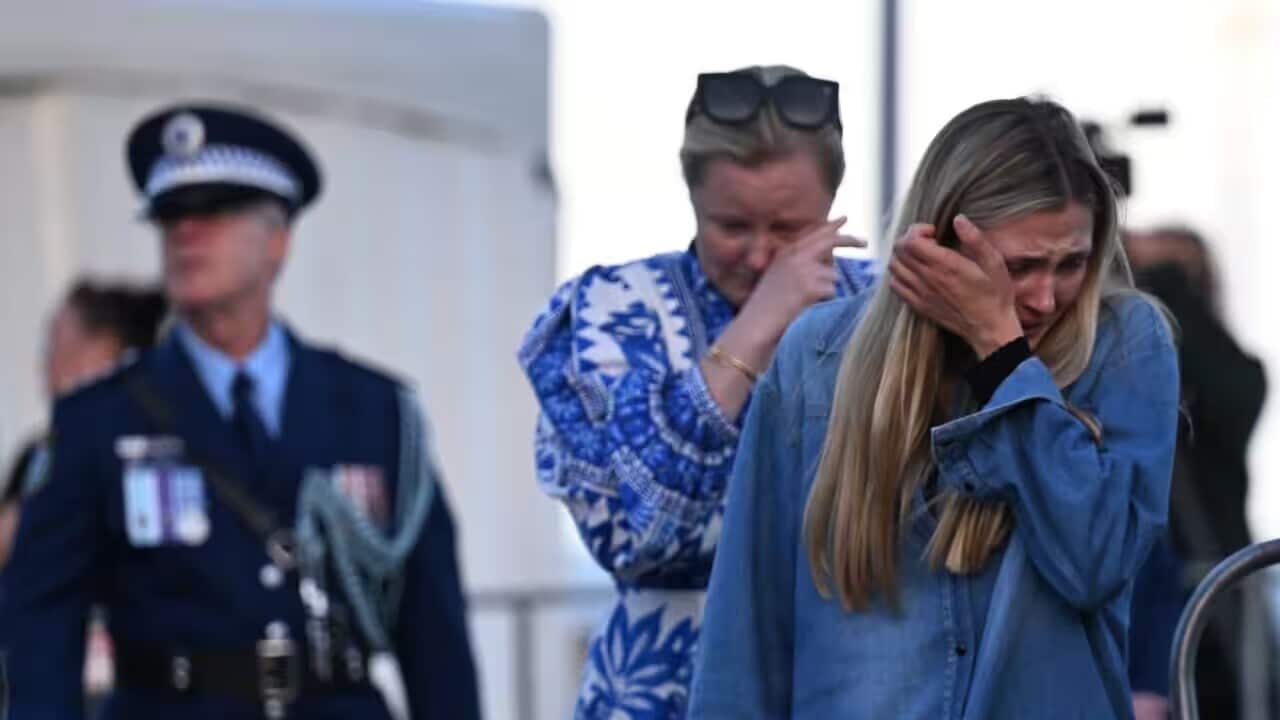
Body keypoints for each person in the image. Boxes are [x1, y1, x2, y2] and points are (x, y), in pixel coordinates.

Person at [690, 97, 1180, 718]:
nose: (1046, 296)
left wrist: (1002, 356)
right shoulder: (819, 355)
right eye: (1020, 266)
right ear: (940, 242)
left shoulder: (1124, 343)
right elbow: (749, 618)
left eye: (1073, 264)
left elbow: (1095, 562)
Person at [0, 103, 480, 720]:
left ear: (278, 241)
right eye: (170, 217)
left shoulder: (374, 409)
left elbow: (433, 628)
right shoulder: (99, 419)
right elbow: (43, 619)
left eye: (215, 212)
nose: (185, 234)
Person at [518, 65, 875, 717]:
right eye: (732, 227)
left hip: (856, 687)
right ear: (692, 200)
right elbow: (635, 535)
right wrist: (756, 329)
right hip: (668, 693)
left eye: (791, 230)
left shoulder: (886, 307)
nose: (762, 256)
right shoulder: (613, 309)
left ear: (831, 207)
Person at [1125, 225, 1269, 719]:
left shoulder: (1233, 376)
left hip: (1217, 618)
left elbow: (1225, 387)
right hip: (1139, 613)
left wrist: (1163, 280)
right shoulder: (1118, 378)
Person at [1, 280, 168, 569]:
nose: (46, 364)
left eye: (56, 344)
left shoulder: (154, 451)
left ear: (104, 349)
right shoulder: (38, 455)